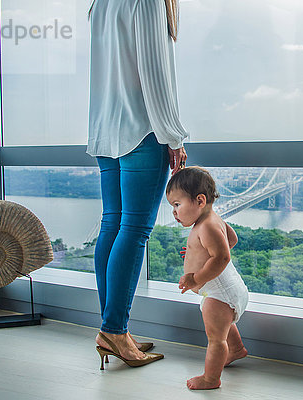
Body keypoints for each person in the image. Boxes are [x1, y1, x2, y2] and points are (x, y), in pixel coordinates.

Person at [87, 0, 189, 369]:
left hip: (104, 130)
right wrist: (173, 135)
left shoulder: (101, 3)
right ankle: (114, 329)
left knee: (113, 226)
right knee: (134, 229)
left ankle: (113, 330)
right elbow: (154, 71)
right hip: (141, 131)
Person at [166, 167, 250, 390]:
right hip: (226, 290)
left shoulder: (207, 226)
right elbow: (231, 239)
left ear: (200, 200)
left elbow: (222, 256)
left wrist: (195, 278)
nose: (174, 212)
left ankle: (211, 379)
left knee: (215, 338)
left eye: (177, 204)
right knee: (223, 324)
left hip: (220, 293)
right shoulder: (212, 220)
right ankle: (236, 349)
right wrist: (200, 253)